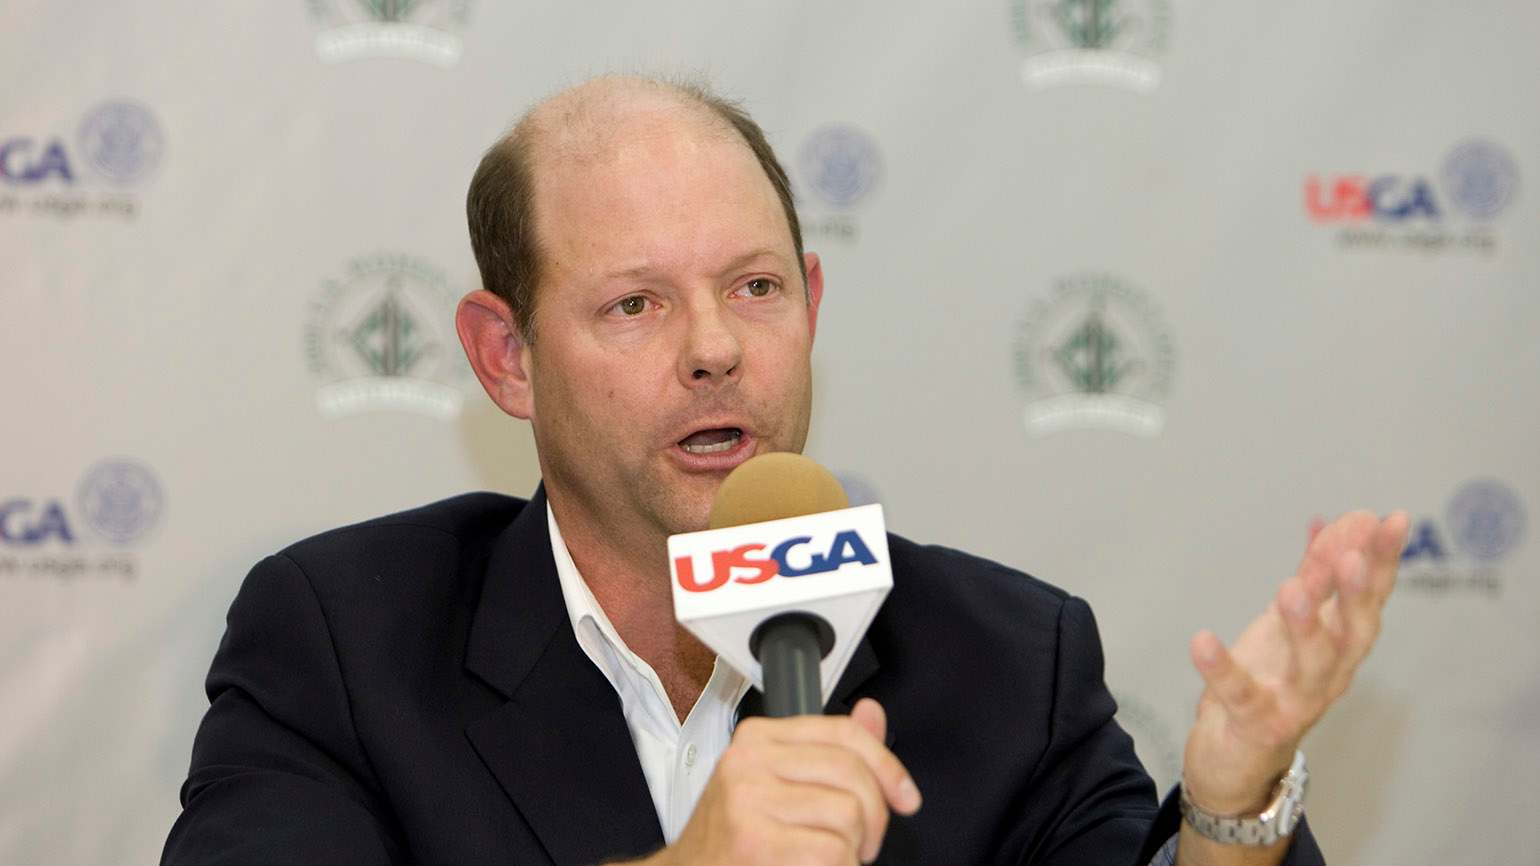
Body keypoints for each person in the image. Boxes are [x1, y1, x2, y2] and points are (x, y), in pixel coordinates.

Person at [162, 76, 1409, 866]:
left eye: (754, 288)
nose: (715, 348)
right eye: (636, 305)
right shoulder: (341, 639)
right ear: (507, 356)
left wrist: (1228, 809)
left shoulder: (1003, 657)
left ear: (809, 306)